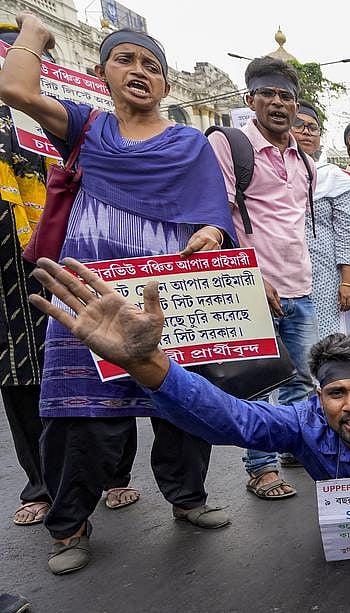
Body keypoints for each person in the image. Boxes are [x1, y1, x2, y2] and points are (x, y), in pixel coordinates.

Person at [29, 257, 350, 613]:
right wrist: (146, 364)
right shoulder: (302, 421)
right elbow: (231, 417)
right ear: (318, 398)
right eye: (336, 393)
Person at [0, 15, 238, 572]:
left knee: (178, 398)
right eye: (125, 60)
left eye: (151, 66)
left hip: (167, 290)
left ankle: (188, 499)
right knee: (80, 411)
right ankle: (70, 525)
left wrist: (210, 233)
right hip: (89, 291)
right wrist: (33, 33)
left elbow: (213, 212)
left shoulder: (189, 141)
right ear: (101, 73)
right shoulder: (86, 127)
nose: (139, 72)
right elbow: (14, 88)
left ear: (166, 86)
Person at [210, 56, 318, 490]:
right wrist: (251, 274)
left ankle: (296, 446)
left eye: (286, 96)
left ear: (296, 105)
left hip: (300, 284)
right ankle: (261, 468)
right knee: (258, 383)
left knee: (303, 377)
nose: (277, 103)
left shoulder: (304, 160)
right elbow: (216, 214)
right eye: (268, 94)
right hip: (251, 284)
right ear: (249, 98)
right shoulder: (228, 144)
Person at [0, 24, 51, 527]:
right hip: (7, 280)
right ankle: (40, 483)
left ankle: (108, 475)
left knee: (88, 374)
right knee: (17, 384)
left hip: (57, 259)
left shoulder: (41, 119)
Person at [293, 101, 350, 338]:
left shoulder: (332, 177)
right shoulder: (265, 171)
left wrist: (348, 282)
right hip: (280, 270)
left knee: (323, 337)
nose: (305, 131)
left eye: (312, 128)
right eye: (298, 124)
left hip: (323, 272)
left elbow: (345, 232)